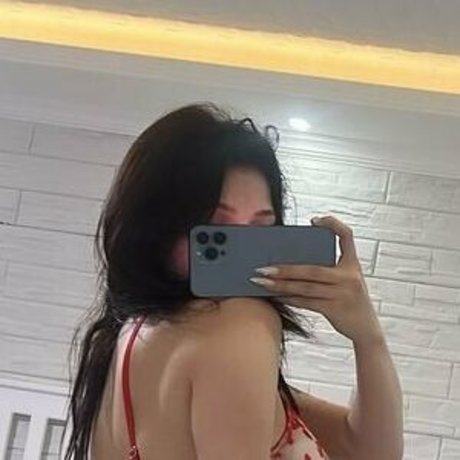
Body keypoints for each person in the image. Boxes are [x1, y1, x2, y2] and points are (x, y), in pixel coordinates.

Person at [63, 103, 404, 460]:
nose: (243, 249)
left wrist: (368, 338)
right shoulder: (239, 324)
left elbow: (365, 451)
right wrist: (370, 337)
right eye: (218, 230)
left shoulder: (122, 342)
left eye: (260, 227)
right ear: (154, 228)